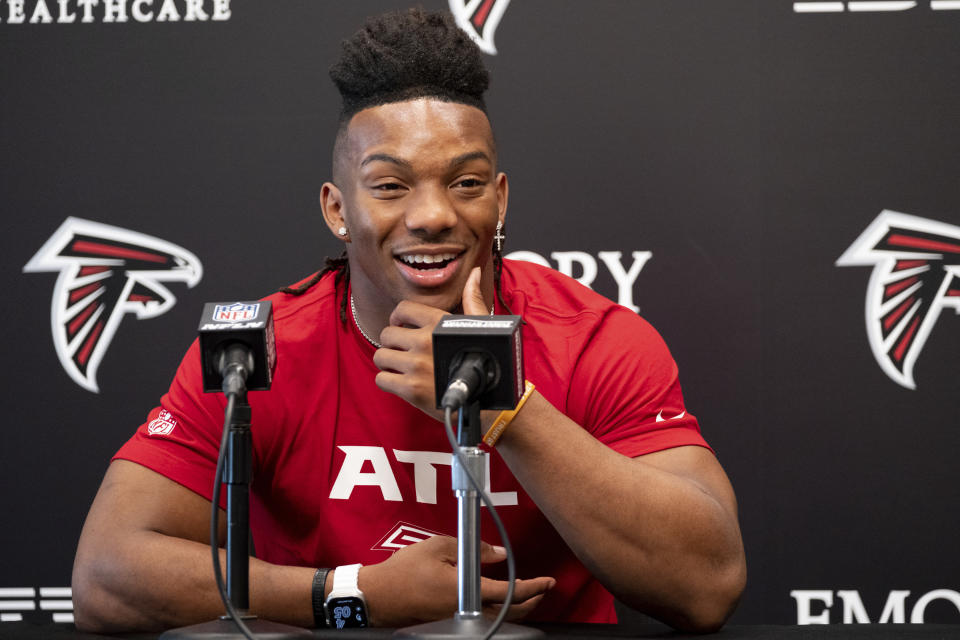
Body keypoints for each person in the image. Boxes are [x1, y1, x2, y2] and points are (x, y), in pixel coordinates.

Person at [72, 8, 745, 634]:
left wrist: (505, 410)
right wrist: (349, 593)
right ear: (338, 210)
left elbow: (708, 584)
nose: (432, 215)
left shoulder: (594, 340)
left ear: (500, 199)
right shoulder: (264, 349)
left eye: (466, 183)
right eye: (391, 185)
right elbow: (106, 577)